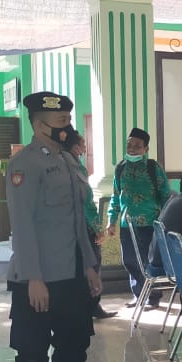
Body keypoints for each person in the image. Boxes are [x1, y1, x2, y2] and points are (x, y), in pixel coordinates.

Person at [5, 92, 111, 362]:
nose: (68, 127)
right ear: (39, 125)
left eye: (68, 120)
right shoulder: (24, 165)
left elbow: (78, 221)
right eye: (61, 122)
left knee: (74, 344)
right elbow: (22, 225)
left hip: (72, 273)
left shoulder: (68, 161)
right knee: (33, 352)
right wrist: (33, 278)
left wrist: (89, 265)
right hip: (37, 278)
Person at [106, 127, 171, 309]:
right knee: (129, 261)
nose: (132, 149)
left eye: (137, 146)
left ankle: (153, 297)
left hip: (150, 223)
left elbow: (165, 194)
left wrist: (165, 221)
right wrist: (111, 220)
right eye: (129, 145)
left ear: (146, 149)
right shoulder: (120, 168)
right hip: (127, 224)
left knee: (148, 262)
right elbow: (116, 196)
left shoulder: (153, 167)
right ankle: (138, 295)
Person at [68, 133, 112, 320]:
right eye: (82, 145)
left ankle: (88, 306)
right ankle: (92, 305)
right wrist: (97, 228)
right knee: (92, 265)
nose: (85, 148)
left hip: (73, 227)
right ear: (74, 147)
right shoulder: (76, 168)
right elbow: (87, 203)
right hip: (85, 227)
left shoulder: (67, 166)